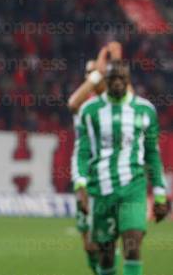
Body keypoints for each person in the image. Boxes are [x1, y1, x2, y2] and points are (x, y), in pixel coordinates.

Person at [73, 60, 170, 275]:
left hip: (133, 187)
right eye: (112, 79)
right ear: (105, 81)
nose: (117, 83)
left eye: (121, 79)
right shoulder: (90, 111)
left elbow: (153, 154)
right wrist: (80, 185)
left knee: (132, 245)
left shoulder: (144, 110)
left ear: (128, 80)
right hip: (101, 189)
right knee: (106, 256)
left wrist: (160, 194)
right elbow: (81, 151)